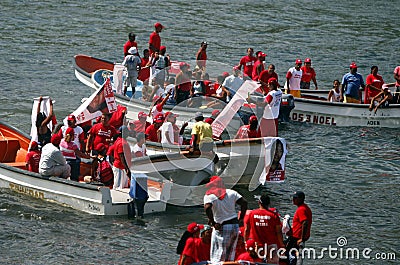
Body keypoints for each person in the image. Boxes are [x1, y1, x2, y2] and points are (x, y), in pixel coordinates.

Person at [204, 176, 248, 263]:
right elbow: (244, 202)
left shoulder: (210, 196)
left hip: (221, 227)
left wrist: (212, 221)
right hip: (235, 226)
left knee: (218, 256)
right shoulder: (231, 192)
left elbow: (207, 207)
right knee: (230, 254)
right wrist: (241, 218)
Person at [244, 194, 284, 264]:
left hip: (257, 244)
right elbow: (278, 232)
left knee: (257, 262)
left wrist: (246, 242)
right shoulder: (274, 216)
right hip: (271, 244)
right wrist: (282, 245)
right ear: (269, 203)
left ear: (259, 202)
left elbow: (247, 229)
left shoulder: (252, 214)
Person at [286, 191, 312, 265]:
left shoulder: (301, 209)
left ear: (301, 199)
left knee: (289, 254)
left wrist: (302, 238)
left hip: (297, 238)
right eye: (293, 197)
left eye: (295, 198)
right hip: (297, 236)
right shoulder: (305, 207)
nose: (293, 199)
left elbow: (305, 222)